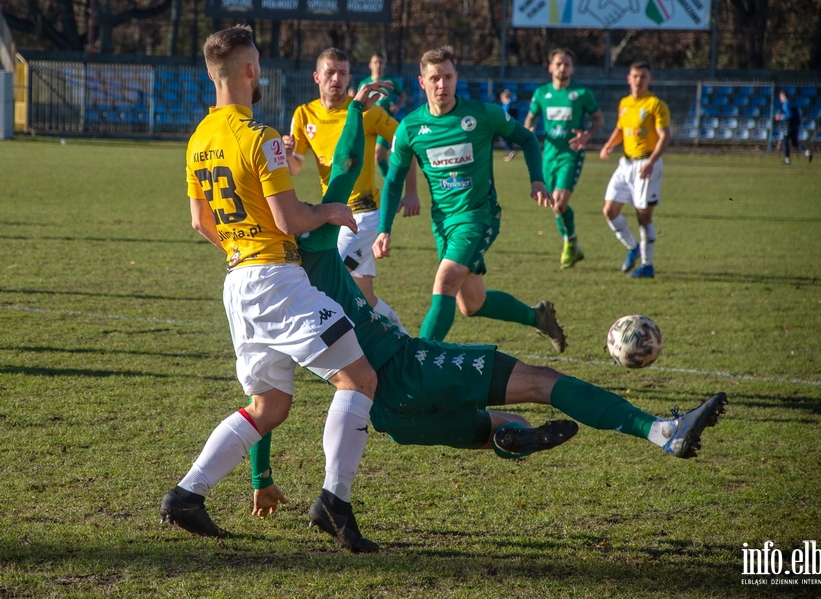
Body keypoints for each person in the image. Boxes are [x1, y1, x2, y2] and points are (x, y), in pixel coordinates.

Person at [244, 102, 729, 548]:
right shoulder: (316, 240)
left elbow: (267, 400)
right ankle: (661, 431)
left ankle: (509, 439)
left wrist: (262, 477)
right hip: (407, 367)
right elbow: (348, 163)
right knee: (543, 382)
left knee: (510, 423)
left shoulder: (275, 288)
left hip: (387, 417)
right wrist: (355, 109)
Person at [159, 26, 386, 552]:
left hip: (238, 280)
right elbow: (289, 220)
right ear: (249, 71)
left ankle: (187, 494)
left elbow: (199, 221)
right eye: (257, 63)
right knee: (359, 378)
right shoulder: (259, 137)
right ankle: (335, 500)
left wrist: (241, 248)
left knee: (270, 406)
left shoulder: (199, 139)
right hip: (277, 281)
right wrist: (330, 211)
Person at [373, 47, 568, 353]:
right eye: (435, 78)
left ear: (456, 78)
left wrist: (537, 181)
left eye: (448, 77)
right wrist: (384, 229)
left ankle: (416, 360)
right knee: (472, 303)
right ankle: (539, 317)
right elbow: (394, 181)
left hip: (479, 216)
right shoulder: (410, 128)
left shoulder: (482, 114)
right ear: (422, 82)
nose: (442, 84)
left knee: (446, 281)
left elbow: (528, 139)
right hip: (443, 223)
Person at [283, 48, 418, 334]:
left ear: (349, 77)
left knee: (330, 276)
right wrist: (288, 155)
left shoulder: (366, 112)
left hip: (364, 216)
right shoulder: (304, 114)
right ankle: (400, 334)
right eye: (330, 72)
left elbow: (405, 142)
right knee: (365, 295)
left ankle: (344, 347)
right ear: (316, 76)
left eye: (342, 73)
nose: (336, 78)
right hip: (333, 213)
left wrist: (411, 190)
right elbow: (295, 167)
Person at [524, 48, 603, 269]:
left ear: (572, 68)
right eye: (558, 64)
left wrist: (587, 134)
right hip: (548, 156)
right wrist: (528, 130)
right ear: (550, 67)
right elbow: (530, 118)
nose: (563, 68)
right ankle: (573, 243)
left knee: (559, 202)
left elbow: (598, 119)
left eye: (567, 64)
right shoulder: (542, 93)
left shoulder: (581, 93)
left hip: (571, 154)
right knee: (554, 205)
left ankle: (568, 243)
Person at [598, 61, 670, 279]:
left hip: (647, 164)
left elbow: (665, 136)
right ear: (629, 79)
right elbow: (621, 129)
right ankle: (633, 247)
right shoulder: (625, 103)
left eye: (643, 76)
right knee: (609, 210)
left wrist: (652, 161)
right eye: (635, 76)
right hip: (626, 163)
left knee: (643, 215)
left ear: (650, 79)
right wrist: (609, 144)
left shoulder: (655, 104)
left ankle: (647, 265)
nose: (639, 80)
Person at [358, 53, 407, 179]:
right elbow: (358, 102)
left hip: (384, 122)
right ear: (370, 65)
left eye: (381, 62)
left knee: (378, 154)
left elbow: (403, 96)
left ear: (385, 65)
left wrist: (397, 107)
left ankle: (390, 182)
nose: (378, 65)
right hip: (368, 125)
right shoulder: (365, 83)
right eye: (375, 62)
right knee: (375, 158)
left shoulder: (391, 82)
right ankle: (390, 181)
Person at [774, 90, 813, 165]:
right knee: (794, 143)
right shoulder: (792, 103)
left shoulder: (786, 104)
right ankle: (807, 152)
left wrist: (780, 117)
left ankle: (787, 159)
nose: (780, 99)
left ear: (783, 96)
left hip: (790, 125)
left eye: (780, 97)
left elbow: (789, 115)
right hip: (796, 125)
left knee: (785, 141)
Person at [498, 89, 518, 161]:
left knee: (502, 137)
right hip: (514, 124)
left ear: (503, 97)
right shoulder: (513, 104)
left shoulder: (506, 105)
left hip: (507, 124)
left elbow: (505, 115)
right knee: (508, 138)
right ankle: (510, 152)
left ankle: (511, 151)